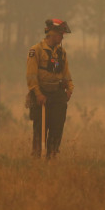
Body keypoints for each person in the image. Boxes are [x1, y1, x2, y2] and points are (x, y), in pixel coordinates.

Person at [26, 18, 74, 158]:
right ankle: (37, 155)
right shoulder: (36, 50)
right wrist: (38, 94)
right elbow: (31, 76)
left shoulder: (61, 53)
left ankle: (52, 155)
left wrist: (70, 88)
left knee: (57, 127)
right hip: (41, 94)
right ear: (52, 34)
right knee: (40, 128)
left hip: (57, 95)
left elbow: (66, 73)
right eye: (60, 34)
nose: (62, 37)